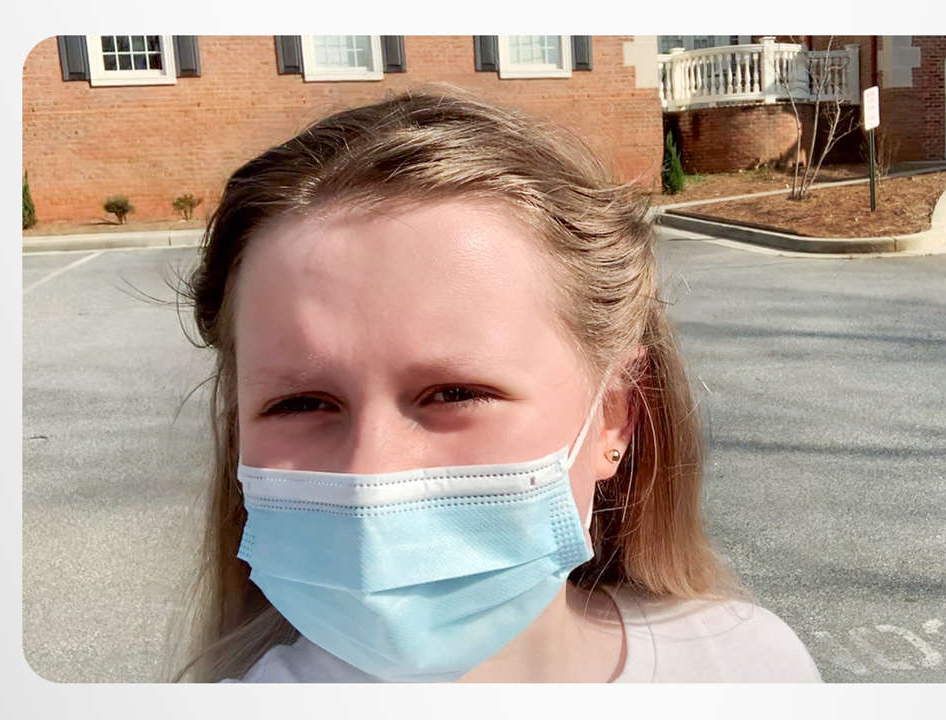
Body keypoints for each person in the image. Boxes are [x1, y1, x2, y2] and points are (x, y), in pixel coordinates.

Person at [170, 85, 821, 683]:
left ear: (614, 416)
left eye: (455, 393)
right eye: (301, 403)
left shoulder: (752, 669)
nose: (370, 476)